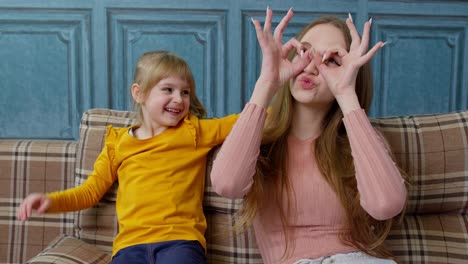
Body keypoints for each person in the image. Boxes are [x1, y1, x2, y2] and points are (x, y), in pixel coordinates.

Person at [210, 7, 407, 264]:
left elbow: (385, 205)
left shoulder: (359, 143)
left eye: (331, 61)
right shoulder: (261, 142)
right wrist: (266, 84)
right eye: (305, 52)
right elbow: (227, 185)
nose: (311, 67)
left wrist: (346, 93)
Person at [17, 51, 238, 264]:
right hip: (130, 248)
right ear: (138, 93)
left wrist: (273, 91)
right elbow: (89, 192)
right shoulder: (117, 143)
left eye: (185, 92)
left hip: (180, 242)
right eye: (168, 89)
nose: (178, 99)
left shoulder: (194, 131)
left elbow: (249, 121)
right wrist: (51, 200)